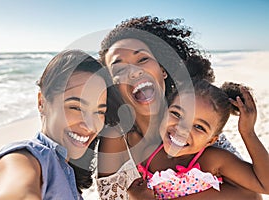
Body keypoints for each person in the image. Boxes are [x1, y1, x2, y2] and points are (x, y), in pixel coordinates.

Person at [96, 16, 260, 199]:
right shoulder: (116, 142)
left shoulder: (196, 121)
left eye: (142, 59)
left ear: (163, 69)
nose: (134, 72)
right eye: (119, 70)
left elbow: (253, 194)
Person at [0, 49, 122, 200]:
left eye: (99, 112)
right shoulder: (24, 157)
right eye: (75, 107)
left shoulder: (65, 169)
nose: (90, 126)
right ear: (42, 103)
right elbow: (19, 190)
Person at [137, 79, 269, 199]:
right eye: (177, 114)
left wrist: (248, 133)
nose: (183, 129)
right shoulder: (147, 153)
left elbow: (265, 186)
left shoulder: (213, 160)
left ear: (211, 140)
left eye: (199, 127)